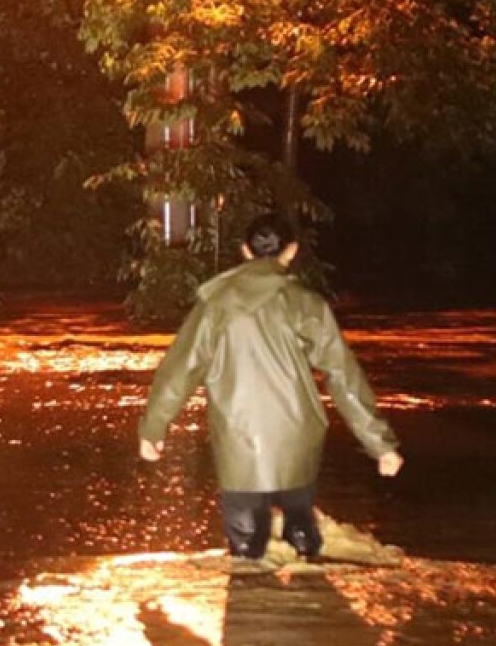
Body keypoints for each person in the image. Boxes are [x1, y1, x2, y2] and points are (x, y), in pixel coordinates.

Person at [137, 214, 404, 566]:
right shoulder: (306, 303)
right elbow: (343, 375)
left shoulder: (214, 305)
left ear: (245, 250)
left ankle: (255, 603)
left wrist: (153, 429)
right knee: (302, 533)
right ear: (291, 251)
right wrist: (380, 444)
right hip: (297, 435)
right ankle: (313, 598)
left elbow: (180, 369)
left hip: (238, 438)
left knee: (246, 552)